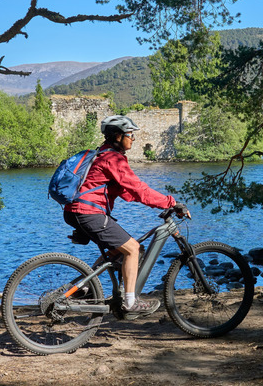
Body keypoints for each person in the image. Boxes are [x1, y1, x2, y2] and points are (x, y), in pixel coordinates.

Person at [63, 115, 189, 319]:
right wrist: (171, 202)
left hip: (76, 211)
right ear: (118, 136)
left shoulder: (102, 154)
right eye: (130, 135)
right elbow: (139, 189)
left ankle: (81, 287)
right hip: (89, 212)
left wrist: (155, 201)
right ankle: (130, 302)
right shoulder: (113, 159)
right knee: (133, 249)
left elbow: (127, 192)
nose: (133, 139)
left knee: (116, 251)